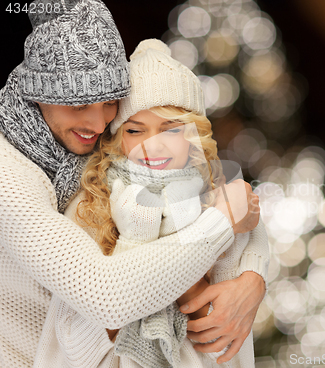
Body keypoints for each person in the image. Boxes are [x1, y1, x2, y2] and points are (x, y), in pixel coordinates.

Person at [0, 1, 265, 367]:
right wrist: (221, 222)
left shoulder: (102, 156)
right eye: (78, 105)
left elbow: (247, 218)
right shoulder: (8, 176)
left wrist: (252, 280)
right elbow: (106, 295)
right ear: (37, 94)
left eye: (110, 102)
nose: (97, 124)